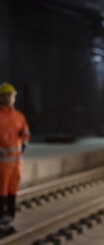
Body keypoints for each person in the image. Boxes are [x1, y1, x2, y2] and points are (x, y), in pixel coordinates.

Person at [0, 83, 30, 238]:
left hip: (16, 165)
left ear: (14, 98)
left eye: (10, 95)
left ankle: (8, 223)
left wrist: (24, 141)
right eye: (5, 95)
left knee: (11, 194)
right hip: (2, 165)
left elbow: (25, 132)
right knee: (1, 194)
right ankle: (1, 225)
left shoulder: (19, 116)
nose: (8, 98)